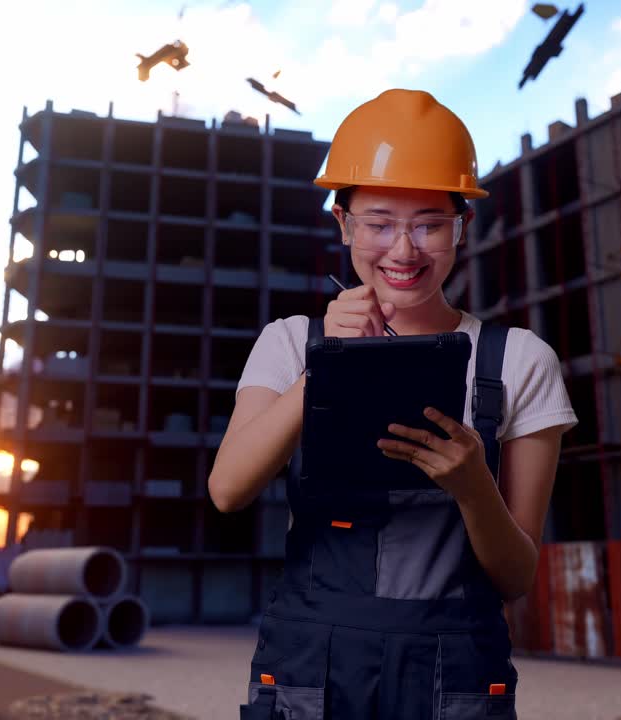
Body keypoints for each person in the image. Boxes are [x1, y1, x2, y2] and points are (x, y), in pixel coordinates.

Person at [209, 88, 577, 720]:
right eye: (378, 223)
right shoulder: (292, 342)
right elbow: (228, 490)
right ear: (343, 223)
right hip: (311, 667)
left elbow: (516, 578)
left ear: (461, 227)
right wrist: (322, 370)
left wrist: (474, 488)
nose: (404, 251)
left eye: (430, 224)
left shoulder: (518, 361)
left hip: (454, 673)